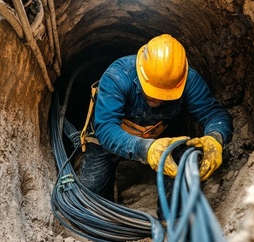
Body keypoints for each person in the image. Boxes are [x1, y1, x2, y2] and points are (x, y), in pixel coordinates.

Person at [78, 34, 233, 217]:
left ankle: (171, 219)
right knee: (90, 205)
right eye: (152, 92)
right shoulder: (118, 77)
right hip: (112, 138)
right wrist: (146, 149)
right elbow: (106, 128)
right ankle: (104, 218)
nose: (158, 98)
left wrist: (215, 138)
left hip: (165, 137)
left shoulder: (188, 80)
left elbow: (215, 114)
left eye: (166, 94)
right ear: (141, 72)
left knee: (182, 162)